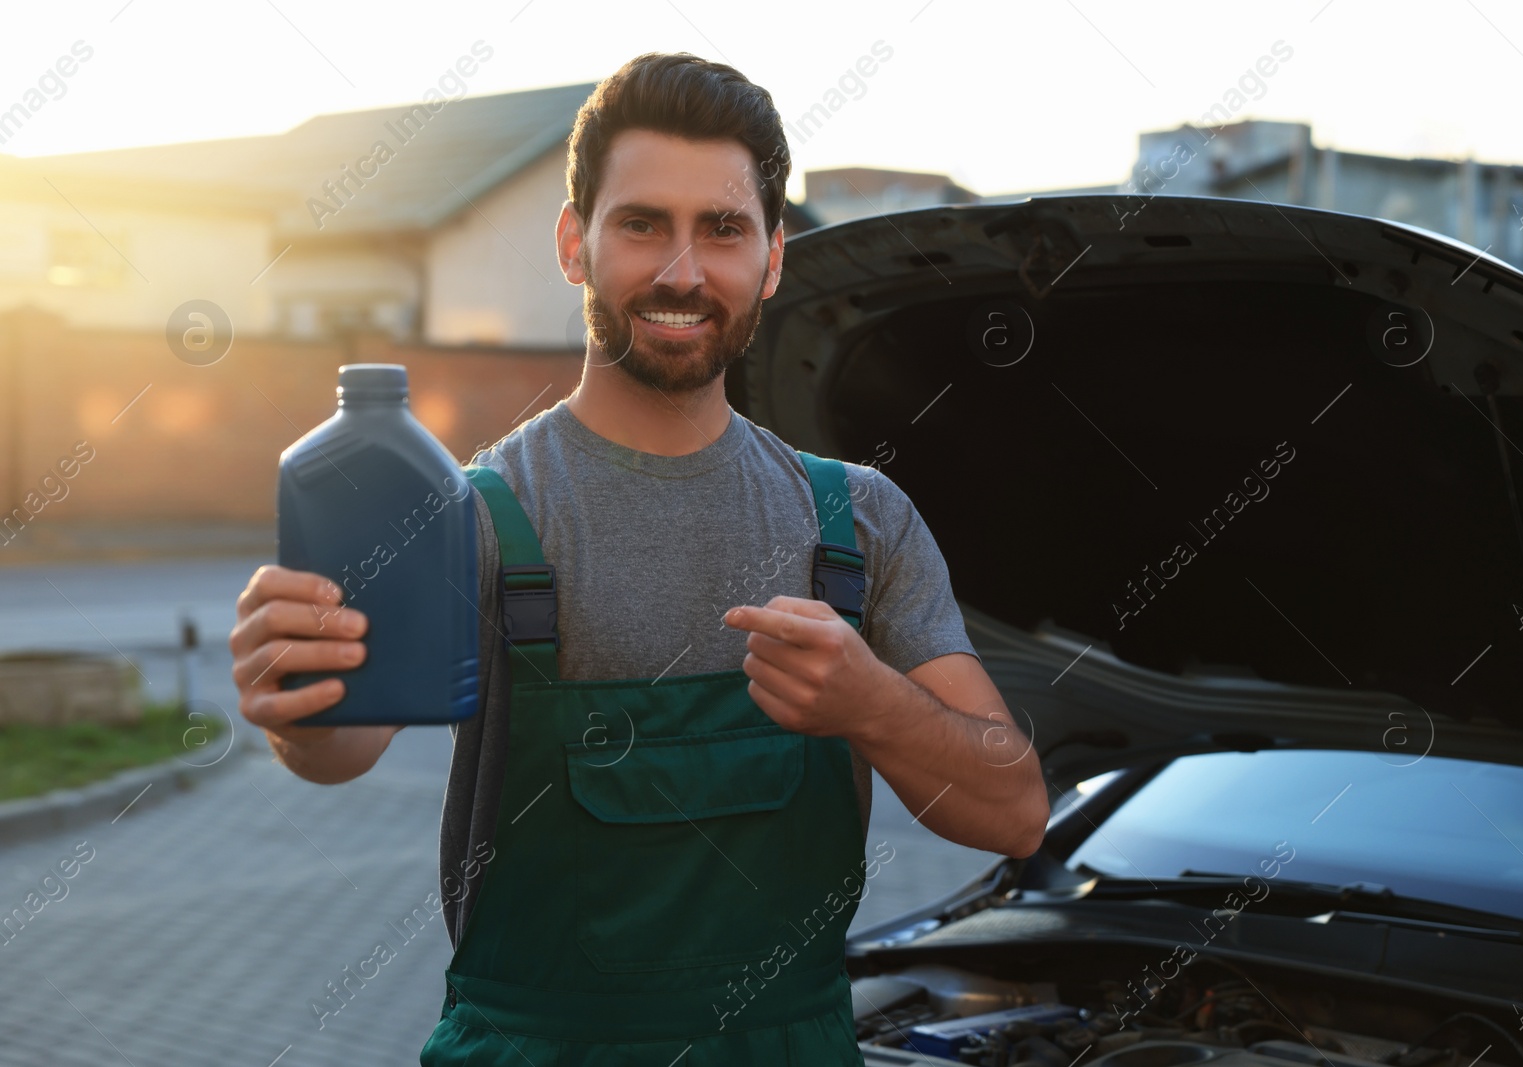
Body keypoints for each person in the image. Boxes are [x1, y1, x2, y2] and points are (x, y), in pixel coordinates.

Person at [229, 50, 1049, 1066]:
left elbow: (1013, 813)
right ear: (576, 243)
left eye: (721, 229)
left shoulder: (859, 522)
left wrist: (871, 702)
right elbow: (338, 749)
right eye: (640, 224)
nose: (680, 273)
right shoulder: (473, 515)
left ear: (773, 257)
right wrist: (293, 692)